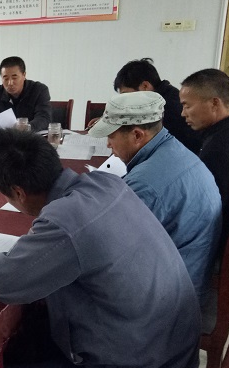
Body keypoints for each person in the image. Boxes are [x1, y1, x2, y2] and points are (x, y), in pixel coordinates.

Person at [0, 129, 200, 368]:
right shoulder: (107, 184)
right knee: (30, 334)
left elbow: (2, 282)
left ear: (17, 193)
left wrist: (17, 252)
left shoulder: (65, 223)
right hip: (168, 361)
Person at [89, 91, 221, 307]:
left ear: (137, 135)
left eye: (111, 136)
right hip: (191, 271)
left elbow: (107, 252)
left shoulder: (145, 186)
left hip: (171, 299)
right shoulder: (174, 149)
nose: (108, 145)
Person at [180, 69, 229, 250]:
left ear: (214, 103)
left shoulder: (218, 152)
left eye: (187, 106)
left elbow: (202, 213)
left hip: (208, 245)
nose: (183, 114)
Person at [112, 58, 203, 154]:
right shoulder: (168, 95)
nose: (126, 101)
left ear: (145, 86)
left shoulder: (165, 107)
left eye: (126, 95)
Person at [0, 56, 51, 131]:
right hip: (5, 139)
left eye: (14, 78)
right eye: (6, 79)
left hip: (32, 138)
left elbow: (44, 118)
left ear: (24, 75)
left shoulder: (39, 90)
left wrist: (25, 128)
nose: (10, 83)